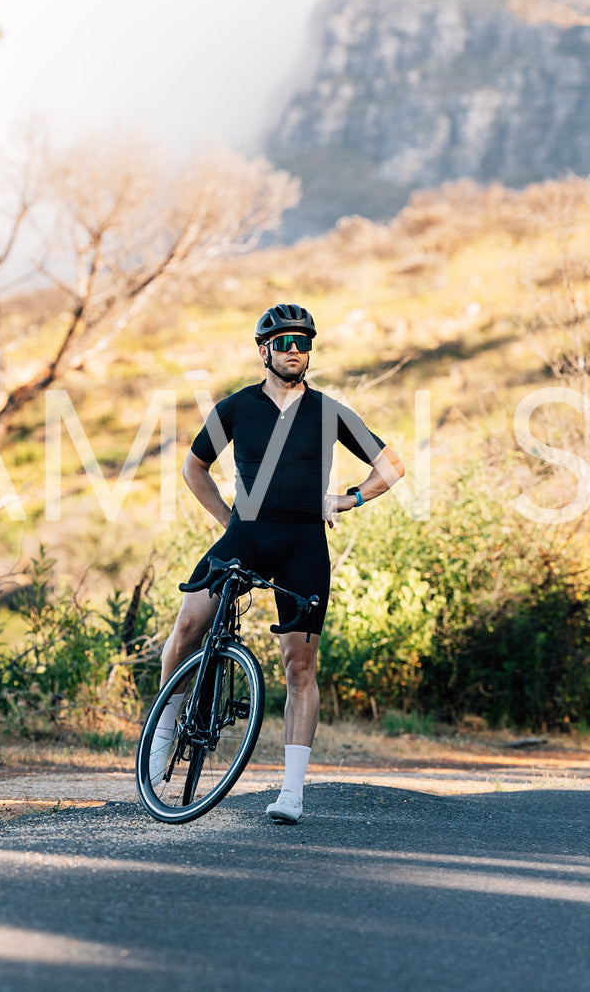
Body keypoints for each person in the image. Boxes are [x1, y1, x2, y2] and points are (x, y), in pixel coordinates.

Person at [149, 303, 404, 824]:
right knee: (187, 626)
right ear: (264, 350)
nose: (295, 350)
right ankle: (162, 740)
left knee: (300, 666)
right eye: (285, 342)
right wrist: (226, 518)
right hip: (247, 533)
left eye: (303, 343)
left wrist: (347, 498)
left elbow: (391, 467)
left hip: (304, 542)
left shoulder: (330, 410)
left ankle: (291, 794)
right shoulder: (237, 407)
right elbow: (194, 467)